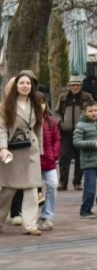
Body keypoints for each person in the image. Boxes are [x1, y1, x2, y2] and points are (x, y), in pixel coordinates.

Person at [0, 71, 47, 236]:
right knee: (7, 190)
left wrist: (40, 149)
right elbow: (2, 129)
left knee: (32, 189)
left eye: (28, 83)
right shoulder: (6, 105)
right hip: (12, 150)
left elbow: (39, 128)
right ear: (15, 86)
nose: (25, 86)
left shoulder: (36, 104)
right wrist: (2, 148)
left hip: (31, 150)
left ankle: (30, 225)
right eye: (22, 83)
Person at [57, 74, 93, 190]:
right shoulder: (63, 97)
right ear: (69, 86)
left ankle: (77, 182)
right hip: (66, 132)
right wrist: (61, 124)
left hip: (81, 132)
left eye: (77, 85)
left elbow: (93, 111)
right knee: (64, 156)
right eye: (73, 85)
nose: (75, 87)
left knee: (80, 157)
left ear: (81, 85)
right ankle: (63, 182)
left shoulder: (87, 97)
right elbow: (57, 112)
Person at [37, 104, 60, 230]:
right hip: (33, 162)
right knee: (33, 191)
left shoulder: (51, 121)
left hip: (49, 161)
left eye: (42, 102)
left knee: (53, 185)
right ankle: (30, 217)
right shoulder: (29, 119)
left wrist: (54, 153)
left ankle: (47, 215)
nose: (40, 105)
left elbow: (57, 138)